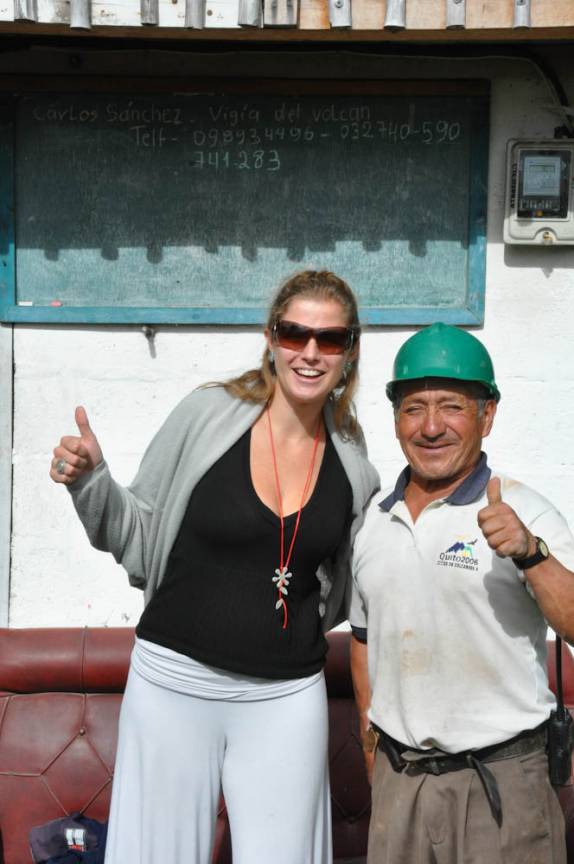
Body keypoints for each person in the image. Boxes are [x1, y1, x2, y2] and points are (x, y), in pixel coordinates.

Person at [49, 270, 380, 864]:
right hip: (173, 683)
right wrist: (92, 481)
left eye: (329, 340)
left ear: (350, 351)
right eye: (294, 333)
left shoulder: (353, 459)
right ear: (270, 337)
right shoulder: (208, 415)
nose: (309, 352)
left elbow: (344, 586)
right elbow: (139, 533)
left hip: (287, 696)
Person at [350, 322, 574, 864]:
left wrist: (530, 551)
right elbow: (362, 638)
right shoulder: (372, 522)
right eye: (413, 408)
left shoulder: (527, 510)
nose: (430, 427)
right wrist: (370, 746)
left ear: (486, 415)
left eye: (451, 406)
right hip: (399, 783)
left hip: (501, 784)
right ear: (396, 418)